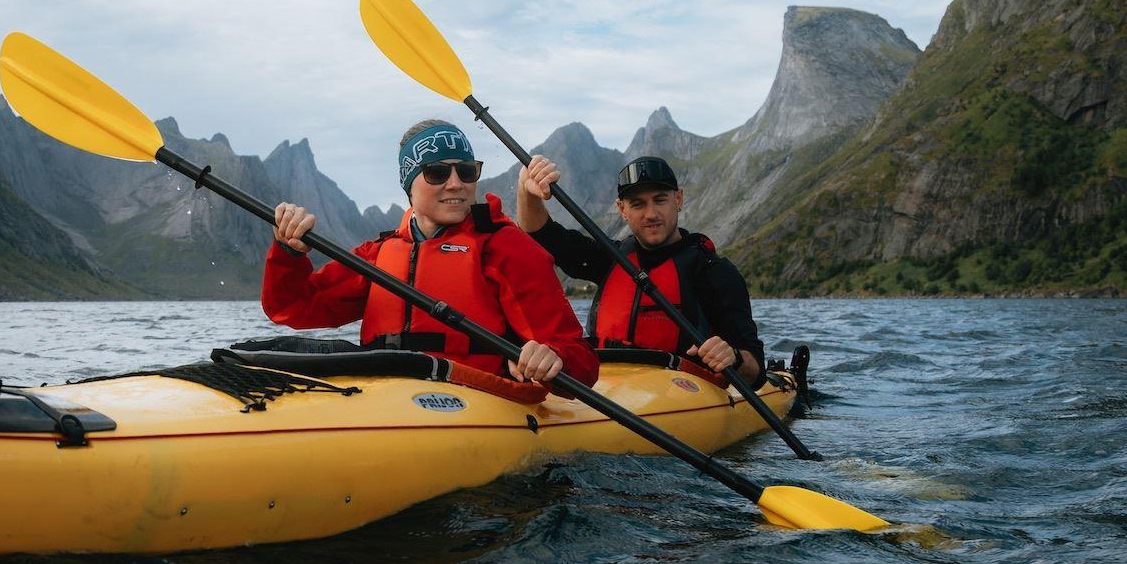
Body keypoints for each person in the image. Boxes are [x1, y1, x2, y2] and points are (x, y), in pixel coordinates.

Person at [262, 120, 598, 387]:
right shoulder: (379, 253)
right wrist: (288, 252)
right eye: (437, 172)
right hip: (385, 397)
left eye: (466, 171)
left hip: (479, 401)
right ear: (409, 182)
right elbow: (291, 307)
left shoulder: (506, 247)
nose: (456, 184)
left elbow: (581, 361)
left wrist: (554, 356)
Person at [514, 154, 764, 383]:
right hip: (607, 383)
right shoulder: (610, 259)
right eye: (638, 204)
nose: (651, 214)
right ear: (622, 209)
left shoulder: (715, 272)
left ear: (678, 199)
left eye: (660, 200)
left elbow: (756, 370)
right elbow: (542, 234)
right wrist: (528, 190)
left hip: (682, 391)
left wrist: (734, 357)